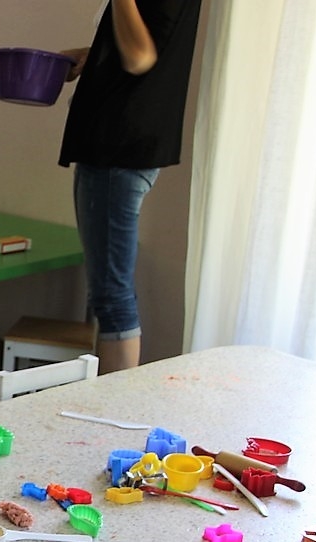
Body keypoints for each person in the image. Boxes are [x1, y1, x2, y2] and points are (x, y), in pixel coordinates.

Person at [58, 0, 203, 373]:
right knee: (111, 295)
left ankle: (113, 403)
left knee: (112, 298)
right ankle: (112, 398)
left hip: (117, 149)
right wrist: (93, 56)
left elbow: (139, 56)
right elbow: (148, 44)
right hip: (124, 147)